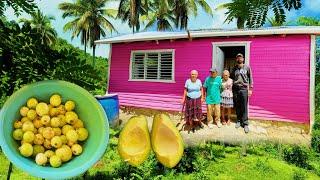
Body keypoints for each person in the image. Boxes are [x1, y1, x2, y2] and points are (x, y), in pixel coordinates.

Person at [230, 53, 253, 133]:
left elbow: (250, 78)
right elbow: (231, 78)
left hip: (244, 89)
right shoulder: (234, 68)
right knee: (237, 105)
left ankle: (245, 123)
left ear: (243, 59)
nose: (239, 59)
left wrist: (250, 89)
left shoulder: (247, 67)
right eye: (238, 58)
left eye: (240, 57)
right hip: (235, 89)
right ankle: (239, 121)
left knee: (244, 106)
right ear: (236, 59)